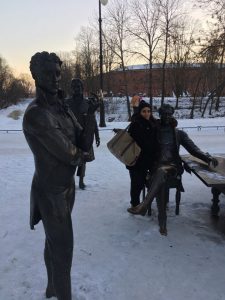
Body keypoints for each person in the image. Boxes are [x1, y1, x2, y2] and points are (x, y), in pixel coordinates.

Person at [23, 52, 97, 300]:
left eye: (58, 73)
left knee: (53, 243)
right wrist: (82, 153)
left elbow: (83, 142)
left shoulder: (62, 108)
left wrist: (91, 115)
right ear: (36, 75)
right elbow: (72, 154)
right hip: (50, 191)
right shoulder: (37, 114)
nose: (55, 78)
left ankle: (52, 287)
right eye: (48, 74)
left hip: (67, 187)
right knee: (63, 251)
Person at [127, 104, 218, 235]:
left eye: (169, 114)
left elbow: (193, 149)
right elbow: (139, 136)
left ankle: (145, 206)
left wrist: (207, 158)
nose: (167, 117)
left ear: (172, 115)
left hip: (173, 167)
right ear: (160, 115)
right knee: (161, 178)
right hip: (156, 167)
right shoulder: (154, 131)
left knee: (162, 172)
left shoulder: (179, 134)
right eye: (164, 114)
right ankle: (162, 222)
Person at [67, 78, 100, 189]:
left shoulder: (87, 103)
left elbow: (93, 120)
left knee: (83, 160)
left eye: (80, 86)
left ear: (83, 88)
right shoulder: (67, 103)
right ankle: (69, 181)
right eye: (75, 87)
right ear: (72, 89)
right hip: (70, 136)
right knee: (70, 159)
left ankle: (81, 180)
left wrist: (97, 135)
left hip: (85, 135)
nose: (78, 89)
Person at [127, 100, 157, 209]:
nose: (147, 113)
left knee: (148, 183)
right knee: (137, 184)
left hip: (148, 160)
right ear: (140, 112)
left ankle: (145, 203)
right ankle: (135, 205)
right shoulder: (136, 124)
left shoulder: (153, 123)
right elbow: (140, 143)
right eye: (144, 111)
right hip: (136, 161)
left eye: (149, 111)